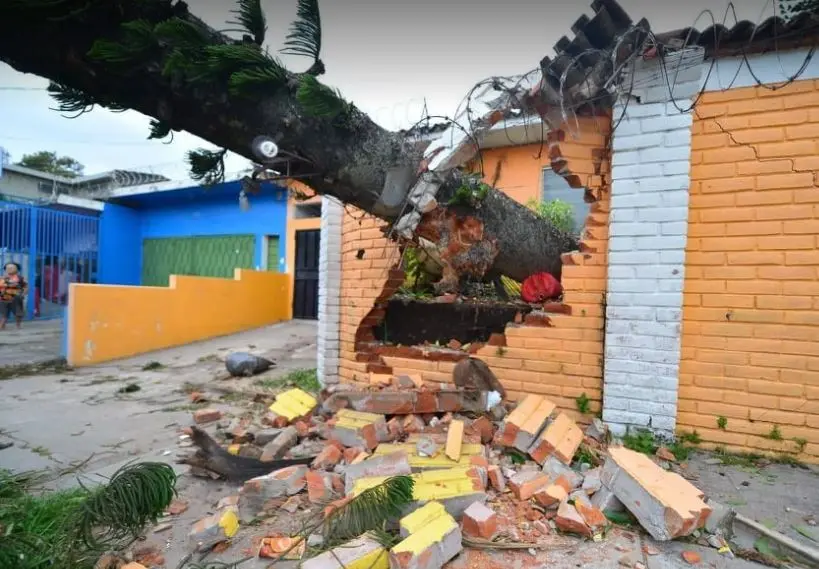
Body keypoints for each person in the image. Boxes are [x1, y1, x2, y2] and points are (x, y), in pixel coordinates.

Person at [0, 262, 27, 330]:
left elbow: (25, 287)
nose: (9, 269)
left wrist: (23, 294)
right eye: (7, 268)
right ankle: (2, 325)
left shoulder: (20, 278)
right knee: (4, 313)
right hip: (4, 298)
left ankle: (18, 325)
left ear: (17, 269)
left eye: (11, 267)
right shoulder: (3, 278)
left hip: (16, 298)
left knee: (18, 313)